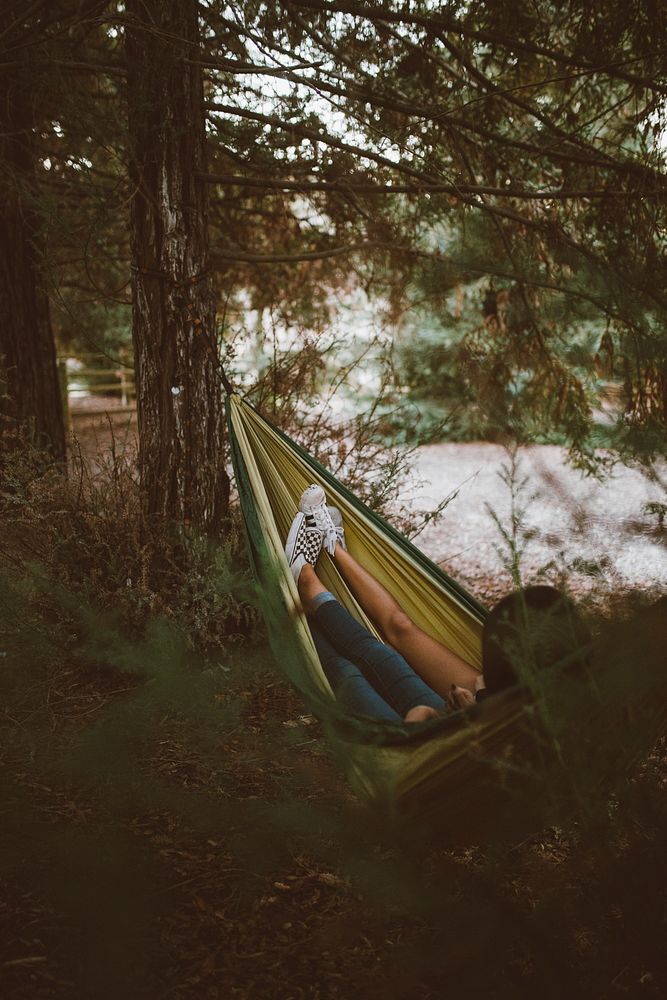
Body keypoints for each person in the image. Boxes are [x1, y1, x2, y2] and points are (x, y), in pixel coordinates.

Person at [285, 484, 591, 723]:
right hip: (485, 710)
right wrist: (475, 706)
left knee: (347, 671)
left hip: (425, 746)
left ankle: (303, 587)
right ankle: (334, 550)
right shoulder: (572, 701)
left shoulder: (543, 748)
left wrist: (426, 720)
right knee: (399, 629)